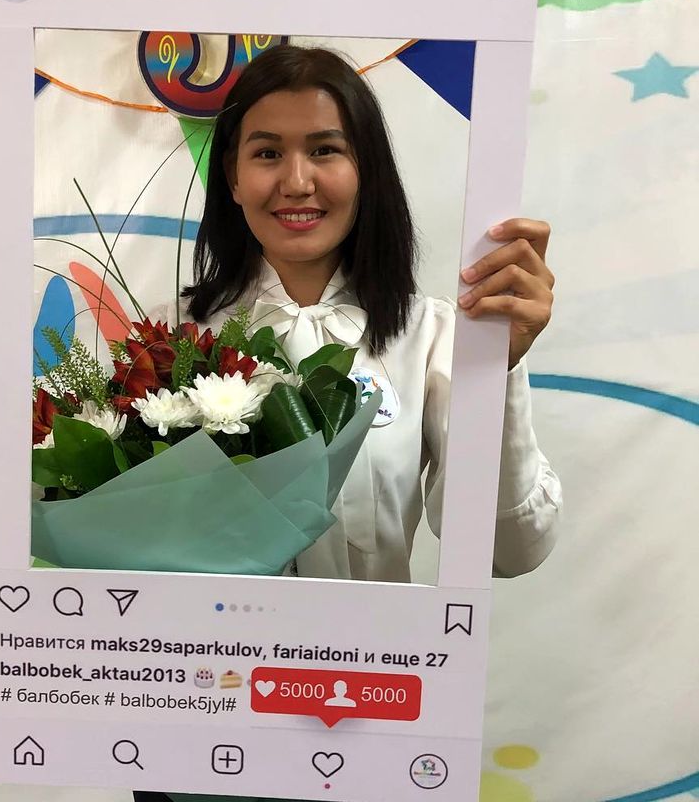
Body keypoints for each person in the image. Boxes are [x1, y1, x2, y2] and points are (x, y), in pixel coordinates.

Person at [154, 43, 561, 582]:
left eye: (325, 150)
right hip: (205, 640)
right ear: (232, 177)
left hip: (373, 640)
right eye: (268, 153)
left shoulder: (433, 336)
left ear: (365, 170)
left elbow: (509, 549)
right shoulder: (167, 340)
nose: (297, 182)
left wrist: (495, 367)